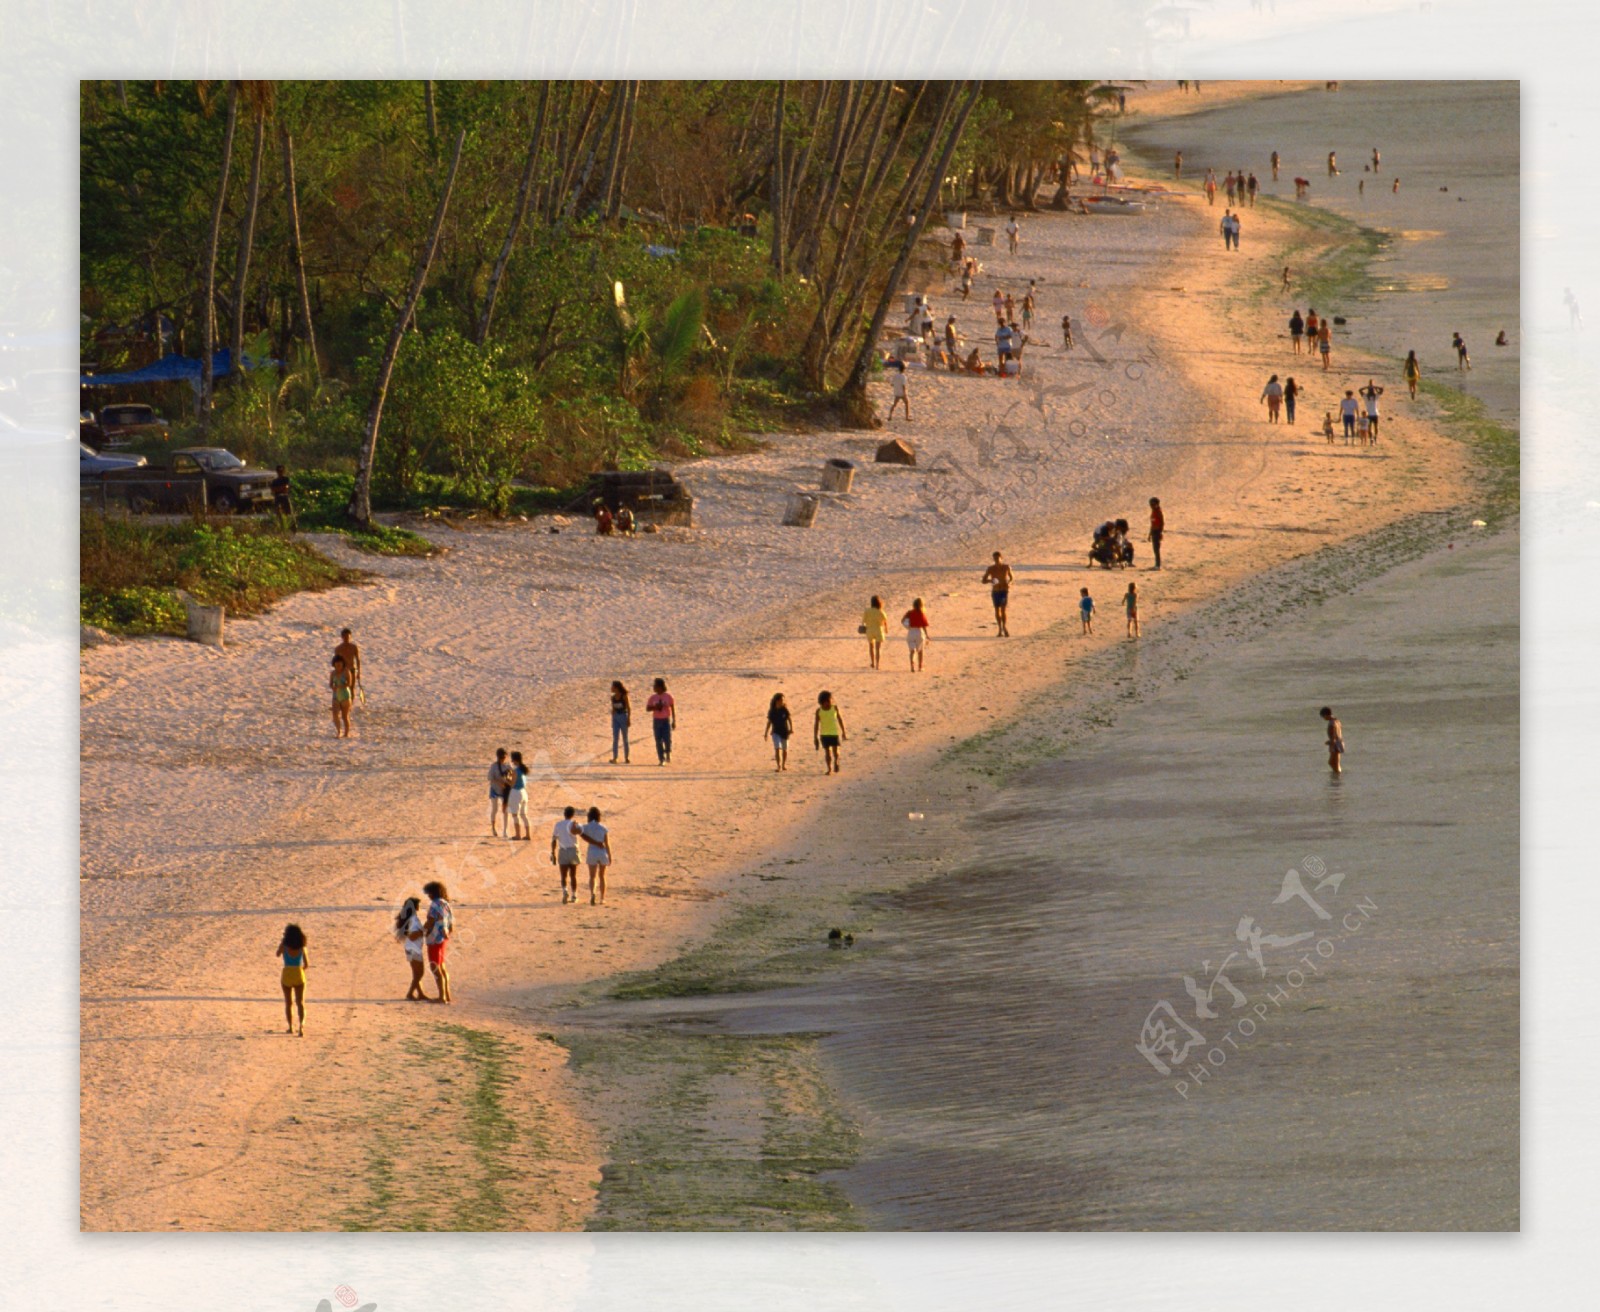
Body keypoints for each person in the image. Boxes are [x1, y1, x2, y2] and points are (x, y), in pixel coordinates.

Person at [422, 880, 453, 1002]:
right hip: (443, 937)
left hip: (434, 938)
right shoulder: (446, 904)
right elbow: (451, 923)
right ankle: (447, 994)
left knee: (435, 966)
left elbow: (430, 922)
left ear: (432, 893)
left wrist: (422, 930)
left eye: (429, 893)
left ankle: (442, 997)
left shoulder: (434, 905)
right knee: (442, 965)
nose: (428, 896)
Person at [276, 923, 308, 1037]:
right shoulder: (302, 947)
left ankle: (290, 1027)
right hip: (298, 973)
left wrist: (282, 942)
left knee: (288, 1002)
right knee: (300, 1002)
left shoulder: (284, 946)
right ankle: (301, 1027)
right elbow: (306, 964)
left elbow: (277, 954)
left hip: (287, 974)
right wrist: (301, 970)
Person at [395, 897, 426, 1000]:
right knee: (420, 973)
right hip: (414, 949)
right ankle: (410, 993)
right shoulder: (413, 919)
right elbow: (412, 936)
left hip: (410, 948)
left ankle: (420, 993)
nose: (419, 907)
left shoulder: (409, 918)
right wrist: (423, 931)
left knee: (416, 973)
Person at [580, 807, 612, 905]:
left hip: (592, 851)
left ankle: (592, 893)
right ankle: (602, 898)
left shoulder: (586, 827)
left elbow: (580, 833)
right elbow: (607, 843)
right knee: (602, 876)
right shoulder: (603, 828)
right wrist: (610, 855)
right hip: (602, 852)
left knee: (592, 876)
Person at [551, 806, 583, 903]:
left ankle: (565, 891)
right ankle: (574, 895)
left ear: (564, 814)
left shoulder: (558, 825)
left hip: (563, 850)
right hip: (573, 850)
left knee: (563, 875)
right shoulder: (575, 824)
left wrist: (553, 852)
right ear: (572, 815)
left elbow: (554, 840)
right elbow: (581, 833)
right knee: (573, 875)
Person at [814, 690, 848, 775]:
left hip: (834, 733)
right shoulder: (819, 711)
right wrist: (815, 736)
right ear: (822, 702)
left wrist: (844, 731)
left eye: (830, 700)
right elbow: (816, 724)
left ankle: (836, 761)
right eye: (827, 701)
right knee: (827, 752)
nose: (829, 703)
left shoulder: (834, 708)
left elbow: (840, 719)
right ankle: (829, 769)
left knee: (835, 752)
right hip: (824, 734)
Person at [982, 551, 1014, 636]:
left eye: (997, 558)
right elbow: (983, 580)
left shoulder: (1006, 567)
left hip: (1004, 590)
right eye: (994, 558)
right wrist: (990, 580)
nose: (996, 560)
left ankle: (1004, 627)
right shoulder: (991, 568)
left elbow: (1011, 578)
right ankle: (1000, 629)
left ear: (1001, 558)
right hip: (995, 591)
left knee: (1003, 610)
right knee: (997, 610)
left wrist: (1009, 583)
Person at [647, 678, 676, 764]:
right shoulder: (652, 697)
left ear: (660, 687)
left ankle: (668, 753)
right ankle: (661, 758)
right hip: (656, 721)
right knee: (658, 740)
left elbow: (672, 708)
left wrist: (674, 720)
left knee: (667, 739)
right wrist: (655, 707)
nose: (654, 687)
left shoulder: (668, 696)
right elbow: (647, 708)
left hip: (665, 720)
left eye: (655, 686)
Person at [487, 747, 513, 836]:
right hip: (494, 790)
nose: (503, 759)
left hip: (504, 791)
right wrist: (499, 783)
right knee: (495, 809)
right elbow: (490, 778)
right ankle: (493, 828)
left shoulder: (507, 766)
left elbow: (513, 775)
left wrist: (509, 782)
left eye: (504, 757)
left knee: (505, 810)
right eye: (501, 757)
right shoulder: (493, 766)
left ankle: (505, 830)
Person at [765, 693, 793, 772]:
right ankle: (779, 766)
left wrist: (791, 728)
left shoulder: (785, 710)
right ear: (777, 701)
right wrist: (766, 733)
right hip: (775, 732)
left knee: (785, 750)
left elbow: (789, 719)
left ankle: (783, 764)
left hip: (785, 732)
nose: (782, 702)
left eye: (783, 700)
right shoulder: (772, 711)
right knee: (778, 748)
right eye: (781, 700)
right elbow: (769, 722)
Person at [333, 628, 363, 703]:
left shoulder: (354, 647)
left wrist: (359, 672)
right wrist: (336, 672)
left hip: (352, 670)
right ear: (342, 637)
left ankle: (350, 705)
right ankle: (340, 703)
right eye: (345, 637)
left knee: (351, 688)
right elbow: (335, 662)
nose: (347, 639)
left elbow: (358, 660)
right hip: (342, 671)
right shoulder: (338, 649)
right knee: (341, 688)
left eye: (348, 637)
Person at [506, 750, 530, 840]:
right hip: (523, 792)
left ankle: (518, 834)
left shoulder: (516, 771)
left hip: (516, 793)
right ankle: (528, 834)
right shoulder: (524, 769)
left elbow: (512, 783)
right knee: (524, 815)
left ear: (514, 760)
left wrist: (506, 779)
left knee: (515, 815)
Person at [902, 597, 930, 672]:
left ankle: (912, 665)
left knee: (912, 651)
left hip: (911, 632)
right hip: (919, 632)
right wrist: (927, 635)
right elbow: (924, 625)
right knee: (920, 651)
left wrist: (907, 625)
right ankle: (920, 667)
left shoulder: (910, 613)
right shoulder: (922, 613)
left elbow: (902, 620)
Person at [862, 594, 889, 669]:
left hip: (869, 630)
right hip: (878, 631)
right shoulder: (881, 612)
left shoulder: (867, 611)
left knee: (871, 647)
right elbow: (885, 621)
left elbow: (863, 621)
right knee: (878, 648)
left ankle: (872, 663)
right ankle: (877, 665)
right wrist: (886, 629)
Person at [329, 654, 353, 738]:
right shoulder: (333, 673)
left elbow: (349, 683)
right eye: (337, 663)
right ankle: (339, 731)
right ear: (334, 664)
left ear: (343, 663)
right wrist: (333, 687)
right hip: (336, 695)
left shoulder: (346, 671)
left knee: (344, 716)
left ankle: (346, 733)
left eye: (340, 663)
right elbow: (331, 684)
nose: (338, 665)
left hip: (345, 695)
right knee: (335, 714)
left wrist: (340, 686)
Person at [609, 680, 631, 764]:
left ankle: (627, 757)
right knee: (615, 738)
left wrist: (628, 719)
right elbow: (613, 710)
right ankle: (615, 757)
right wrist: (613, 720)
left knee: (625, 738)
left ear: (616, 687)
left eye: (612, 686)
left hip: (623, 716)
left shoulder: (624, 696)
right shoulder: (613, 698)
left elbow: (628, 708)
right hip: (616, 718)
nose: (611, 688)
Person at [1320, 707, 1345, 775]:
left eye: (1323, 717)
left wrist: (1331, 744)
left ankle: (1337, 775)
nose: (1324, 719)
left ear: (1326, 715)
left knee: (1332, 762)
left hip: (1335, 743)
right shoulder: (1337, 721)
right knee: (1336, 762)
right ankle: (1337, 774)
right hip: (1340, 742)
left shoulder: (1332, 723)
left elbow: (1333, 734)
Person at [1147, 497, 1165, 570]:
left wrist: (1160, 532)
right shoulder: (1153, 512)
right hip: (1154, 531)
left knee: (1156, 549)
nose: (1151, 506)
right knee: (1155, 549)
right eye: (1150, 504)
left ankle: (1158, 565)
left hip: (1157, 532)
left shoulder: (1158, 512)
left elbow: (1162, 523)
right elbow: (1152, 524)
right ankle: (1156, 564)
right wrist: (1149, 534)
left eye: (1153, 504)